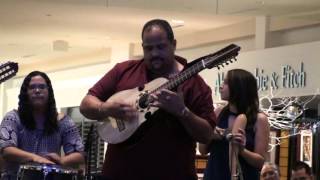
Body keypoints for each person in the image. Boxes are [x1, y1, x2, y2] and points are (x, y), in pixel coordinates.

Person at [80, 19, 216, 179]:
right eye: (149, 48)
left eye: (161, 47)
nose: (155, 54)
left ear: (174, 44)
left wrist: (182, 111)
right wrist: (106, 108)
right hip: (119, 173)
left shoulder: (194, 84)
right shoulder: (124, 71)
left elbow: (206, 135)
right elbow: (86, 104)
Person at [0, 71, 85, 179]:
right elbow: (7, 150)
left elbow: (79, 155)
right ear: (25, 93)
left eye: (42, 87)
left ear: (49, 92)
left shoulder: (64, 122)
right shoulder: (12, 118)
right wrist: (36, 158)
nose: (37, 90)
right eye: (32, 87)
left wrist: (62, 160)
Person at [199, 69, 270, 180]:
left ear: (239, 87)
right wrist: (210, 136)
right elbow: (203, 150)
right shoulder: (218, 112)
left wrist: (242, 150)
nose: (221, 86)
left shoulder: (259, 119)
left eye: (226, 82)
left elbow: (260, 162)